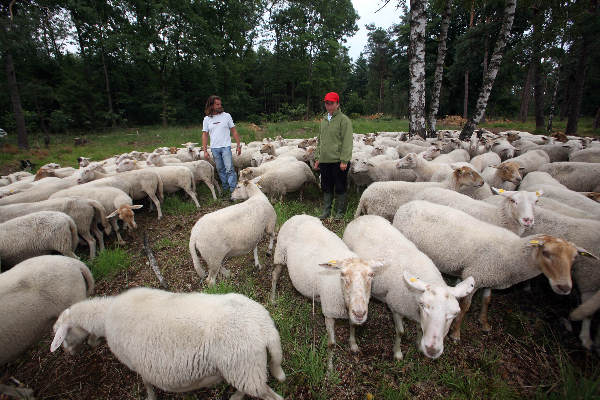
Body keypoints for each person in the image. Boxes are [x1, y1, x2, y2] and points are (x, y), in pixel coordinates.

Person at [313, 92, 353, 220]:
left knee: (340, 186)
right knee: (326, 185)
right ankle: (326, 211)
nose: (328, 106)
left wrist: (344, 160)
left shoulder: (344, 120)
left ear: (337, 104)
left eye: (331, 103)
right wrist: (318, 157)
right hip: (325, 160)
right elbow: (320, 140)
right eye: (327, 103)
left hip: (338, 160)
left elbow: (347, 141)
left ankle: (339, 213)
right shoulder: (324, 120)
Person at [202, 95, 242, 200]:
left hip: (226, 147)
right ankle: (225, 189)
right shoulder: (207, 119)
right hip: (214, 148)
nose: (220, 106)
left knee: (229, 169)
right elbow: (205, 135)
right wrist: (205, 150)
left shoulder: (226, 116)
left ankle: (233, 190)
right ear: (211, 105)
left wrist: (238, 145)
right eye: (217, 104)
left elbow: (234, 131)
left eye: (220, 104)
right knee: (220, 169)